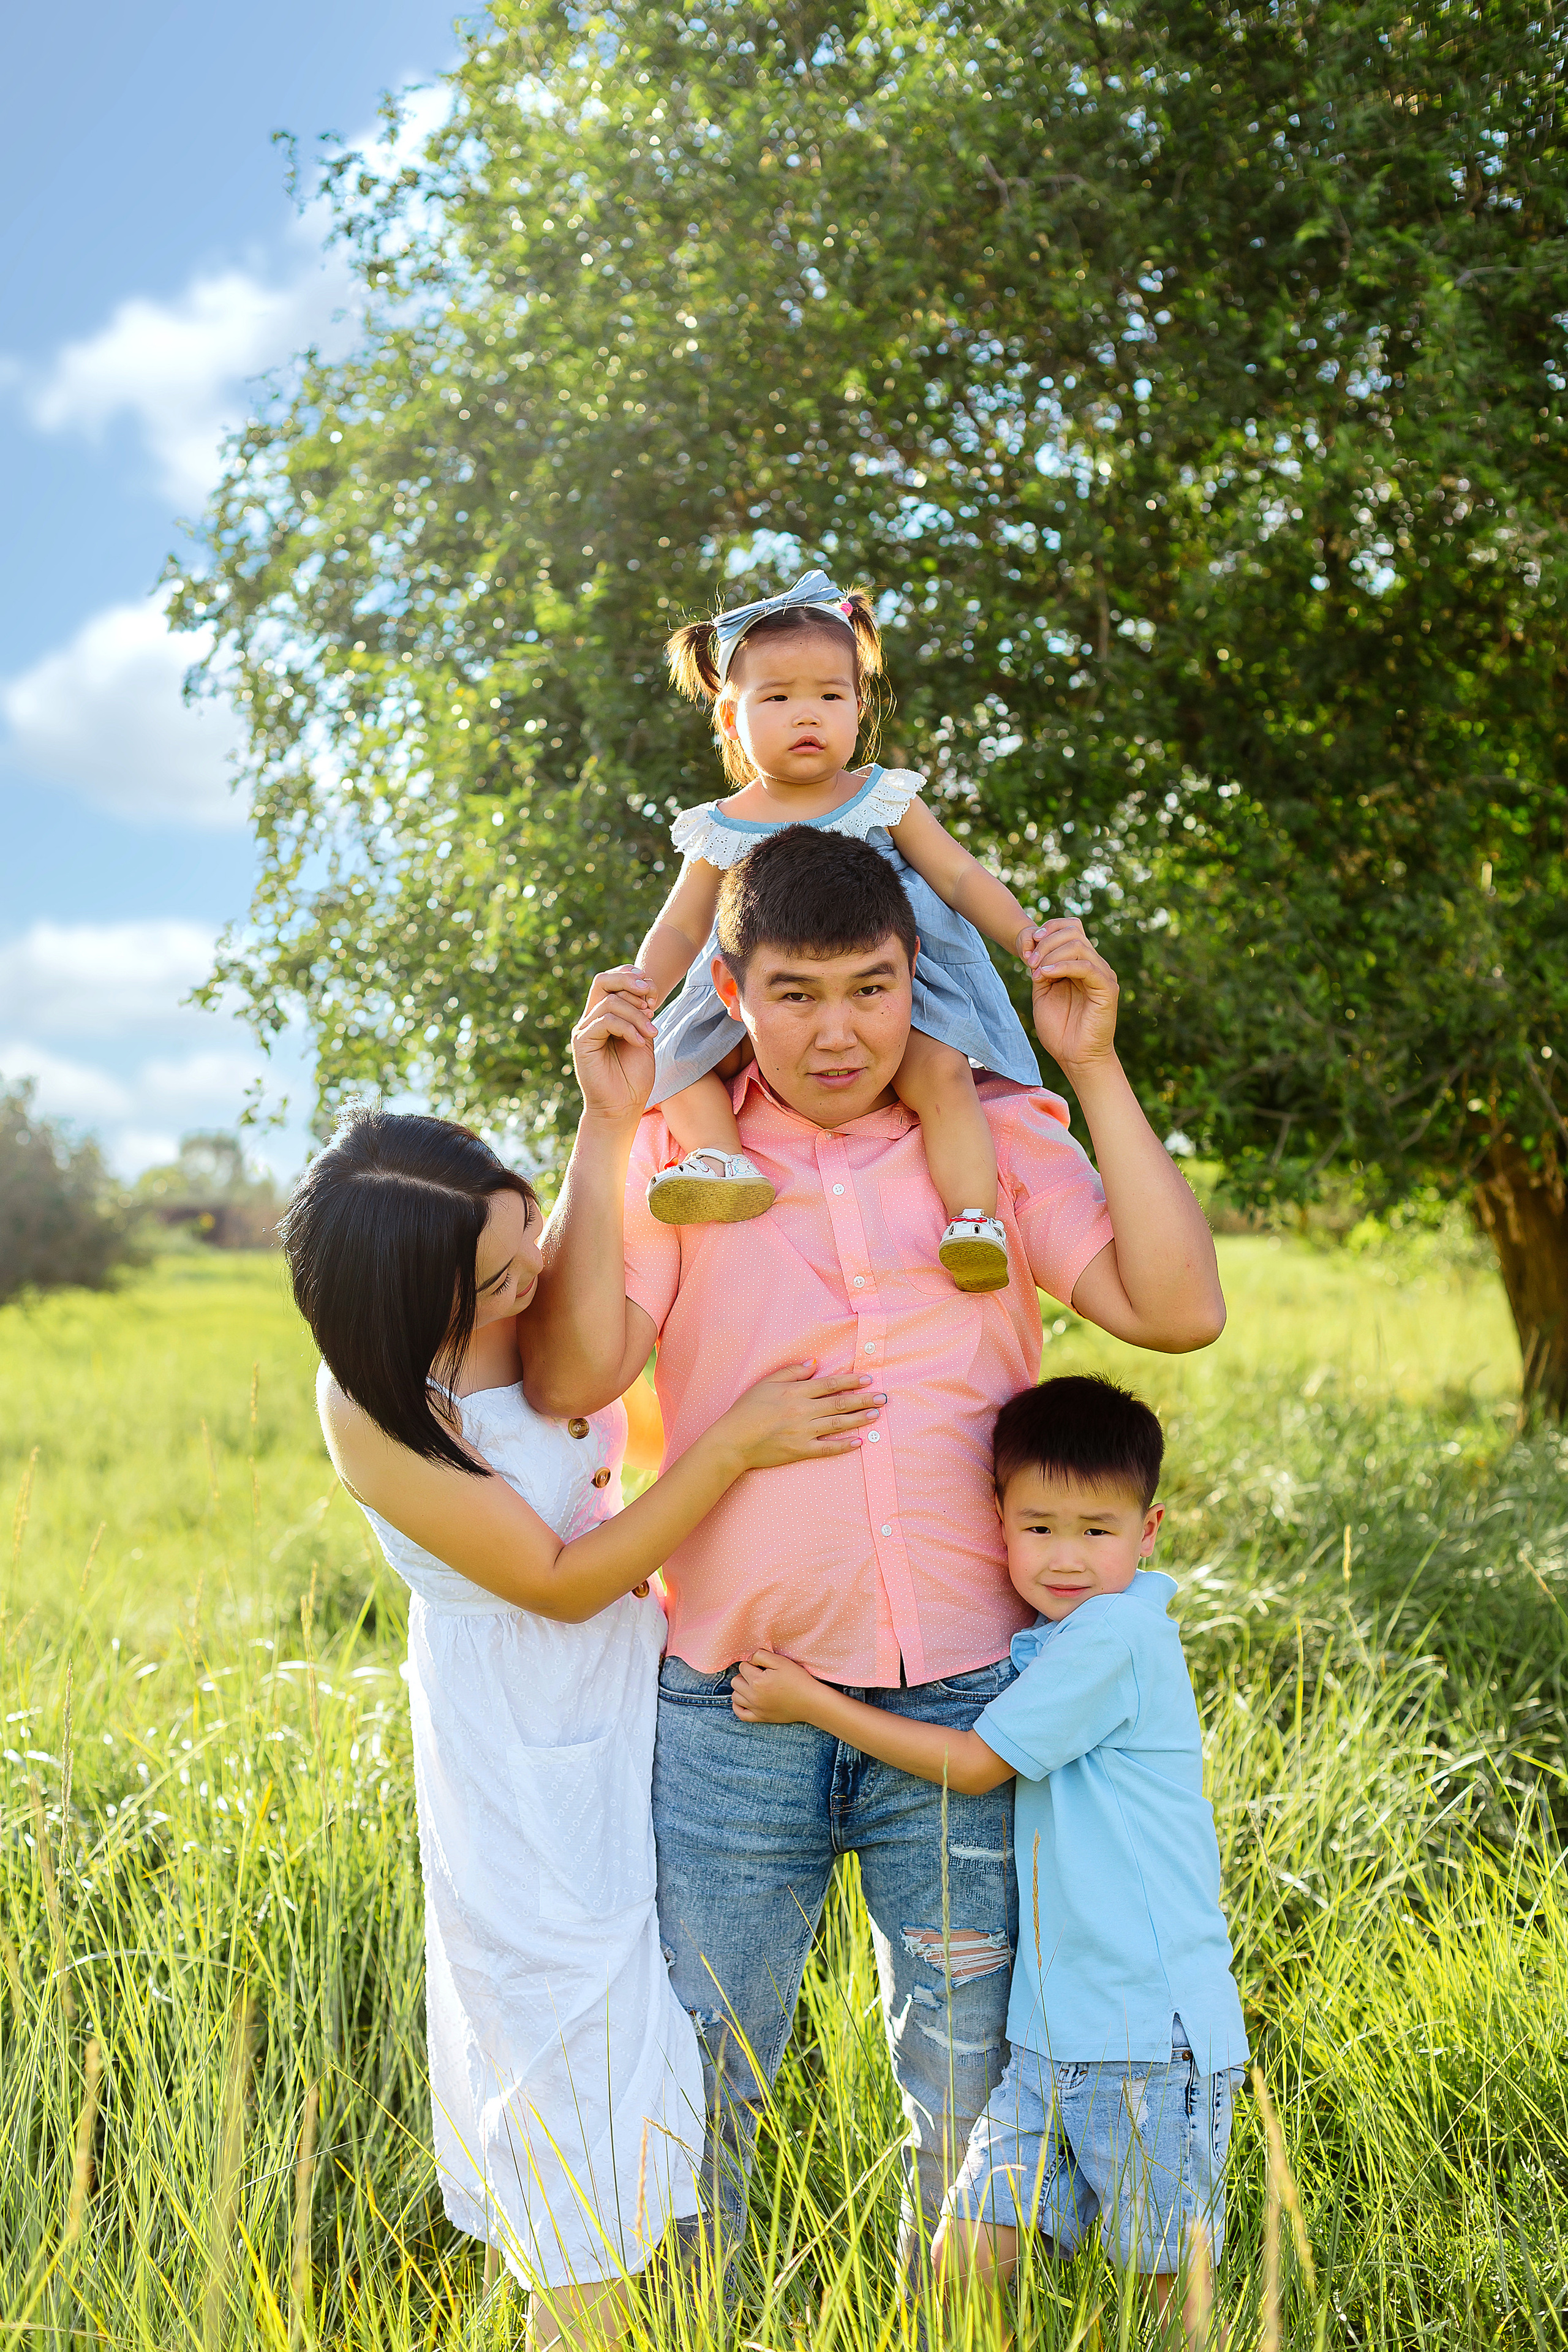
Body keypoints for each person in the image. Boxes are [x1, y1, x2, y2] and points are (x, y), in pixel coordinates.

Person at [526, 822, 1227, 2275]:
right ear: (730, 980)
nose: (835, 1030)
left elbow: (1173, 1308)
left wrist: (1088, 1063)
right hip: (733, 1707)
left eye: (869, 987)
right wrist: (603, 1125)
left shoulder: (999, 1136)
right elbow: (575, 1373)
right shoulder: (676, 1153)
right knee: (702, 2074)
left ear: (915, 978)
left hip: (970, 1697)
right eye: (794, 992)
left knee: (969, 2111)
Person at [279, 975, 883, 2350]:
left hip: (631, 1706)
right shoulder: (375, 1407)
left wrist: (608, 1115)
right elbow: (555, 1586)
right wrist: (727, 1445)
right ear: (400, 1300)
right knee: (574, 2077)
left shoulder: (504, 1268)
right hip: (522, 1754)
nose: (531, 1281)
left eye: (519, 1243)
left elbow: (581, 1261)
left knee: (651, 2065)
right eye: (492, 1282)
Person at [731, 1375, 1249, 2337]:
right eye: (1039, 1526)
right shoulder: (1054, 1643)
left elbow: (970, 1764)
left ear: (1150, 1531)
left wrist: (814, 1702)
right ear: (998, 1524)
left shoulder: (1117, 1638)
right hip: (1051, 2035)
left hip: (1148, 2035)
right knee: (965, 2258)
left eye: (1097, 1530)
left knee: (1168, 2291)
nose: (1065, 1556)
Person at [638, 567, 1055, 1292]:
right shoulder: (721, 826)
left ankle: (974, 1220)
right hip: (765, 995)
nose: (808, 716)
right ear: (731, 719)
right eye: (778, 698)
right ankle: (721, 1159)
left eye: (830, 696)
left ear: (859, 707)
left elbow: (957, 876)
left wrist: (1024, 935)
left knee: (941, 1075)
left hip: (891, 988)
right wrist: (640, 988)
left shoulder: (880, 796)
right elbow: (680, 927)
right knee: (676, 1063)